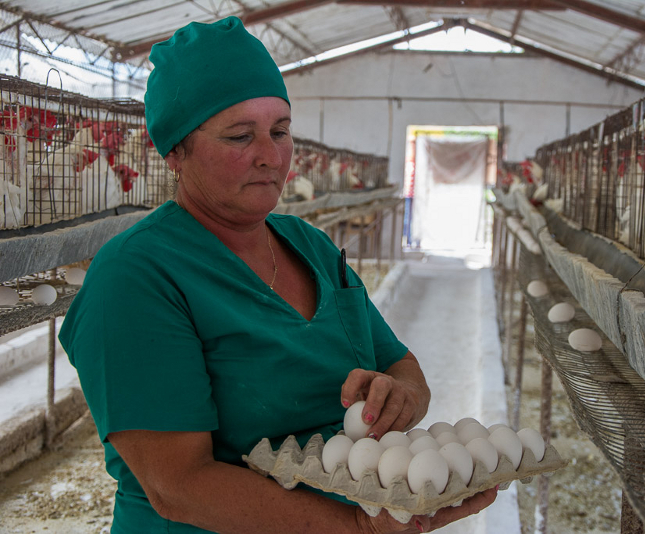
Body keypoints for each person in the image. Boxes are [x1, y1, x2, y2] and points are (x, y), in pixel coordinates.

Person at [58, 16, 497, 534]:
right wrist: (355, 527)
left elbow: (402, 367)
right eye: (241, 136)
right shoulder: (135, 277)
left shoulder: (308, 245)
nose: (271, 156)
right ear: (175, 150)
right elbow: (179, 485)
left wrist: (398, 396)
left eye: (281, 131)